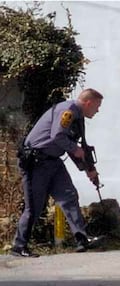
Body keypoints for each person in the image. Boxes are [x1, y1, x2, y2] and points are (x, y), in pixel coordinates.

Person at [11, 88, 104, 257]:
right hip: (36, 162)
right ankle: (19, 246)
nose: (97, 111)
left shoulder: (79, 117)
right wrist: (75, 149)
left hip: (53, 161)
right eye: (97, 107)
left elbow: (76, 146)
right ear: (88, 103)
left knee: (69, 196)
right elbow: (58, 136)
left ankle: (81, 240)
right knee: (35, 207)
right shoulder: (67, 111)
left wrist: (89, 170)